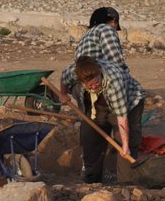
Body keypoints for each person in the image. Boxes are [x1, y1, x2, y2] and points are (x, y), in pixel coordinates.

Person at [58, 56, 144, 184]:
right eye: (90, 85)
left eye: (96, 82)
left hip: (129, 102)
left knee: (125, 142)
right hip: (98, 104)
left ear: (99, 73)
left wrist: (125, 145)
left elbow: (122, 117)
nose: (94, 86)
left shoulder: (114, 82)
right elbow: (64, 78)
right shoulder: (73, 72)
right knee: (90, 138)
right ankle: (93, 181)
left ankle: (127, 182)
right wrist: (63, 94)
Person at [74, 6, 128, 71]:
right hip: (97, 73)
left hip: (83, 74)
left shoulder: (87, 35)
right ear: (113, 21)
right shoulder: (106, 29)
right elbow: (115, 59)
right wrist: (126, 73)